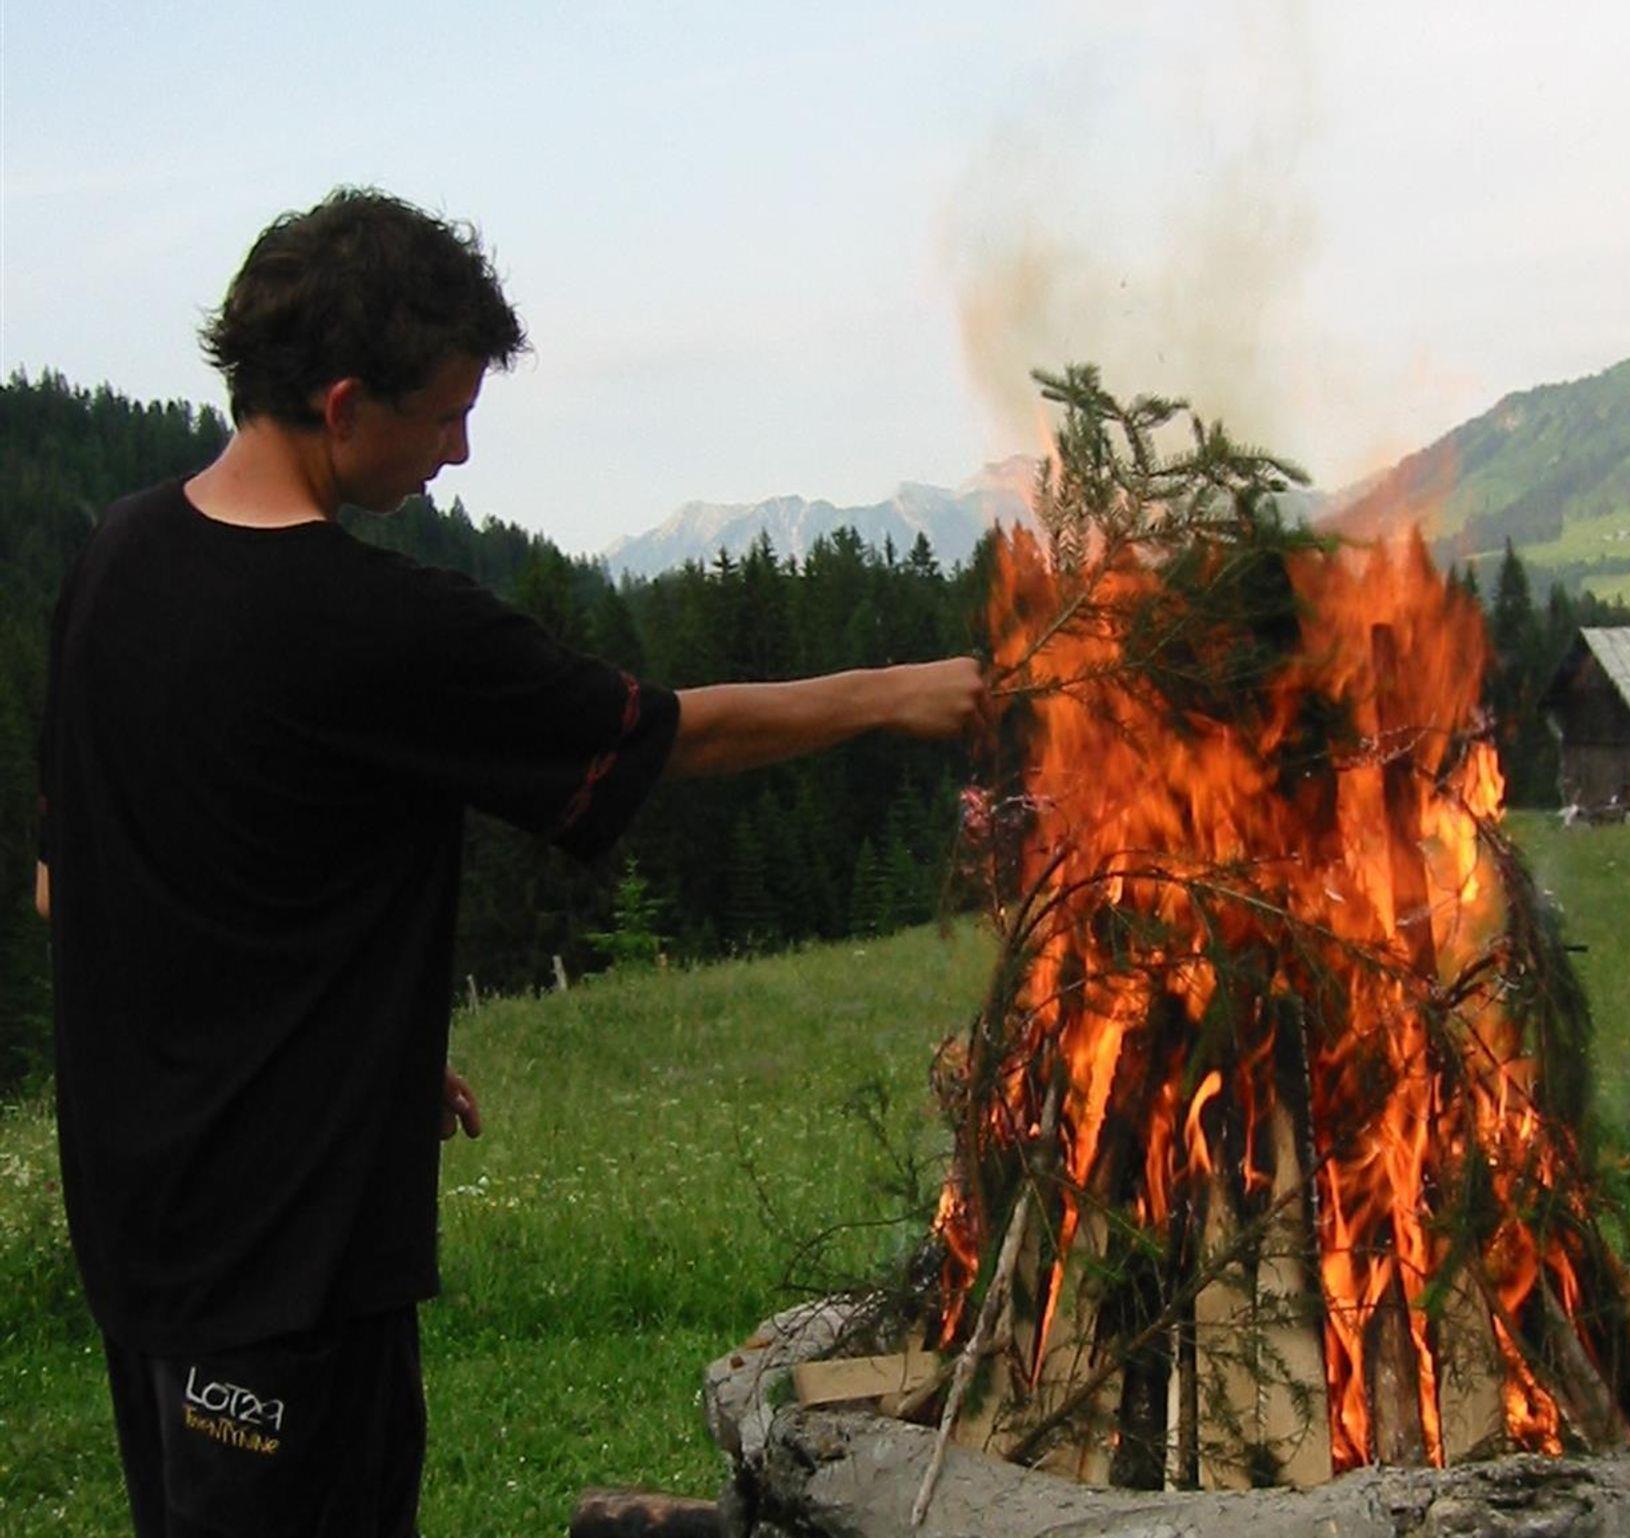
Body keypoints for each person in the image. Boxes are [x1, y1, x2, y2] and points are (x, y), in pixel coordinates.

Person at [33, 187, 984, 1538]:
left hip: (138, 1235)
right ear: (345, 404)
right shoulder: (377, 624)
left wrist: (346, 1055)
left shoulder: (116, 561)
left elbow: (79, 885)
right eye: (446, 415)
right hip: (285, 1270)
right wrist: (896, 693)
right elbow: (664, 733)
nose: (462, 451)